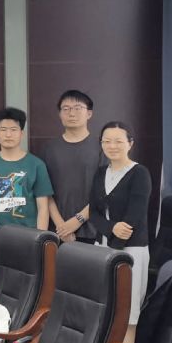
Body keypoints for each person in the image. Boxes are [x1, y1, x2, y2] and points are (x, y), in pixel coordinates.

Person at [88, 121, 152, 343]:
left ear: (130, 143)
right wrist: (110, 229)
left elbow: (134, 215)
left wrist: (115, 242)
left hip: (130, 251)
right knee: (109, 309)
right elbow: (93, 212)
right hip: (103, 249)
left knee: (129, 310)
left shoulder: (139, 173)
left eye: (118, 141)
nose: (112, 146)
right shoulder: (100, 172)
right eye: (106, 141)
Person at [0, 107, 53, 229]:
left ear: (22, 133)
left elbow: (43, 209)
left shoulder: (37, 165)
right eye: (3, 130)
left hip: (27, 234)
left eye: (13, 130)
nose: (8, 135)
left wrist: (41, 236)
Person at [42, 90, 106, 244]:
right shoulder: (49, 149)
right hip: (56, 231)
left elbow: (105, 191)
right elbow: (44, 192)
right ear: (60, 114)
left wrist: (77, 220)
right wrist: (61, 226)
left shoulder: (101, 147)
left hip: (92, 230)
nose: (71, 113)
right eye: (66, 109)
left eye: (78, 108)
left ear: (89, 113)